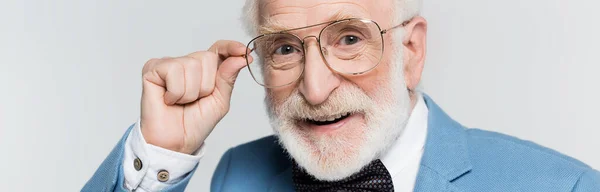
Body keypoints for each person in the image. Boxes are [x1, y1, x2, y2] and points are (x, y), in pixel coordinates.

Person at [83, 0, 600, 191]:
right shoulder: (236, 177)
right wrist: (160, 152)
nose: (314, 86)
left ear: (412, 51)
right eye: (285, 47)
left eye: (349, 38)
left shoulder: (565, 187)